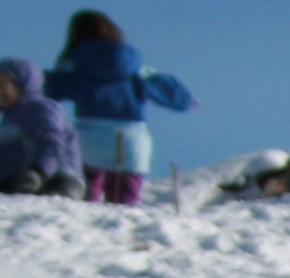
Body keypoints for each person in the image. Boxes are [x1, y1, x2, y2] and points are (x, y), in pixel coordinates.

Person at [42, 10, 190, 206]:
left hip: (89, 135)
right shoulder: (135, 67)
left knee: (86, 196)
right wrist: (187, 101)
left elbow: (50, 88)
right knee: (124, 199)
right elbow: (173, 95)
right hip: (131, 136)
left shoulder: (75, 65)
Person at [0, 59, 81, 195]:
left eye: (3, 85)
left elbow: (51, 142)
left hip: (58, 177)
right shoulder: (10, 117)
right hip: (21, 176)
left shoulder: (42, 109)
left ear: (22, 84)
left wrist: (39, 171)